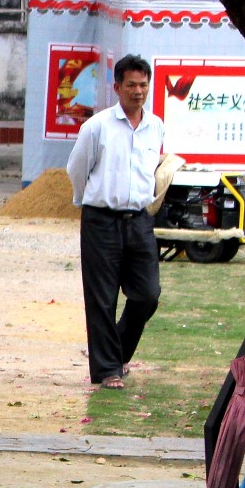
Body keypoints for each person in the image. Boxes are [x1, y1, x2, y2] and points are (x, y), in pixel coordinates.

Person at [65, 54, 166, 392]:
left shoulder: (156, 126)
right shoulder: (98, 126)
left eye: (143, 85)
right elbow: (77, 169)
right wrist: (86, 200)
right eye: (131, 85)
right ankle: (109, 369)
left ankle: (117, 351)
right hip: (101, 219)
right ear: (117, 87)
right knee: (102, 298)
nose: (138, 91)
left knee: (147, 295)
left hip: (139, 219)